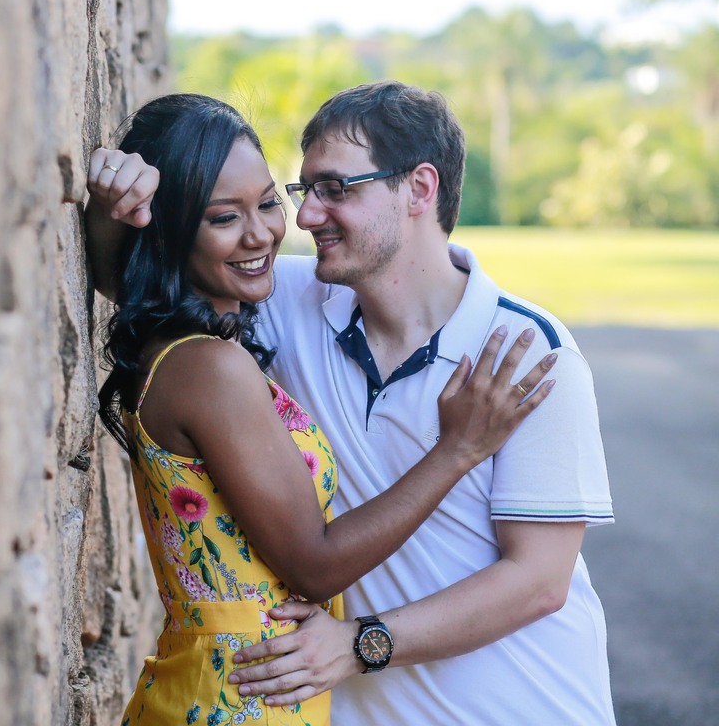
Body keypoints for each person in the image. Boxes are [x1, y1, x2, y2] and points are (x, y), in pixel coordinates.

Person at [87, 81, 615, 725]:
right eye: (305, 191)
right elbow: (157, 281)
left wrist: (362, 643)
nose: (305, 218)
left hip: (519, 708)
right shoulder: (282, 304)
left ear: (420, 189)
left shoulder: (524, 351)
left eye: (338, 189)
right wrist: (120, 199)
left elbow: (538, 582)